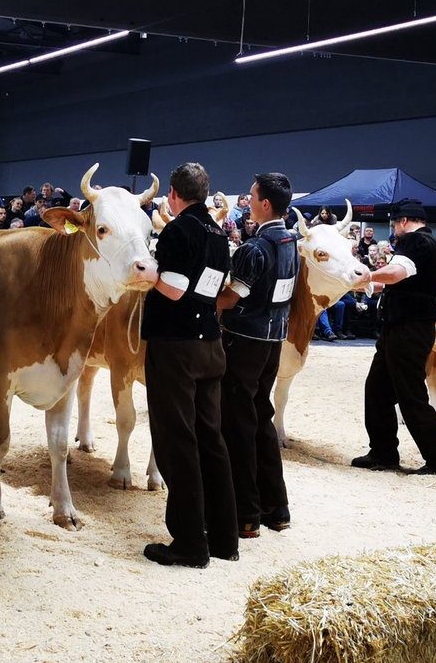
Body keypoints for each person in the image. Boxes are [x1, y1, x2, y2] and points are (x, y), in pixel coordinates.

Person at [139, 162, 237, 568]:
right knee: (210, 438)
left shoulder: (178, 230)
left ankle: (189, 543)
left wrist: (150, 274)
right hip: (210, 345)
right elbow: (215, 288)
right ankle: (224, 537)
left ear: (173, 195)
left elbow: (175, 289)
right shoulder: (219, 233)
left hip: (176, 347)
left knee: (176, 440)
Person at [350, 199, 436, 478]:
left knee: (412, 397)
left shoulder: (415, 241)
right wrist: (366, 285)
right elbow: (405, 283)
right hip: (402, 329)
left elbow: (396, 273)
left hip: (407, 330)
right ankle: (383, 453)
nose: (393, 230)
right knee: (377, 390)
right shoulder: (432, 247)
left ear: (403, 221)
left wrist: (367, 275)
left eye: (393, 224)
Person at [216, 172, 295, 540]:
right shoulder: (291, 242)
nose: (247, 203)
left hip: (245, 341)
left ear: (265, 203)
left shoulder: (255, 248)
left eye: (251, 196)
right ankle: (276, 508)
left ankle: (245, 514)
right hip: (273, 341)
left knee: (238, 424)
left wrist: (201, 300)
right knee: (262, 417)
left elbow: (231, 298)